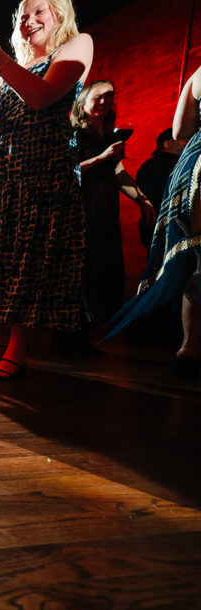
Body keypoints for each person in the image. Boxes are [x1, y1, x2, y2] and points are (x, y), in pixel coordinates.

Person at [0, 0, 94, 379]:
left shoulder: (77, 44)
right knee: (0, 254)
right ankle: (1, 338)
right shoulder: (13, 69)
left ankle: (19, 347)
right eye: (24, 16)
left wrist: (0, 63)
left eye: (39, 12)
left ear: (60, 15)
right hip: (3, 171)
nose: (29, 21)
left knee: (28, 256)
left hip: (43, 169)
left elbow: (42, 97)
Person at [106, 65, 201, 380]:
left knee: (197, 261)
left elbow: (180, 132)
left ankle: (189, 348)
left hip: (193, 169)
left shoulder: (197, 75)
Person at [67, 81, 157, 348]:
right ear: (83, 103)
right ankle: (73, 341)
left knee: (106, 270)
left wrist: (143, 200)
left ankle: (90, 336)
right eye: (99, 96)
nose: (105, 101)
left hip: (105, 210)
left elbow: (119, 174)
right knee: (84, 271)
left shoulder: (109, 138)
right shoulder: (74, 134)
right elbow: (67, 171)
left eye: (110, 96)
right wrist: (102, 157)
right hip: (81, 212)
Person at [136, 128, 187, 250]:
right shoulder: (156, 167)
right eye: (185, 139)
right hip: (171, 234)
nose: (189, 142)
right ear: (167, 143)